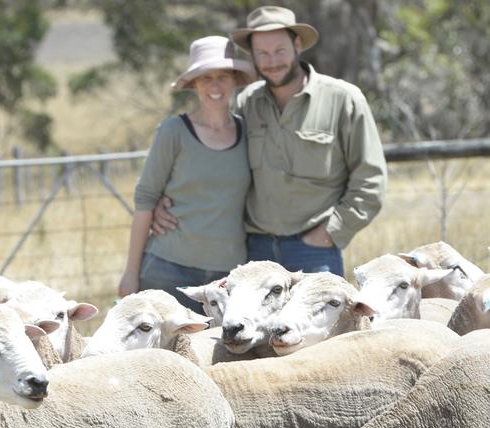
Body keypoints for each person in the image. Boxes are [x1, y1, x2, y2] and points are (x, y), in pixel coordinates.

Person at [154, 6, 387, 276]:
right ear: (252, 55)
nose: (272, 61)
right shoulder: (245, 103)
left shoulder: (344, 99)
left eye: (280, 50)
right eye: (262, 53)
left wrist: (332, 232)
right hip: (255, 251)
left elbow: (370, 179)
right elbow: (213, 164)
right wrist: (165, 202)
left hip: (314, 250)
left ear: (297, 45)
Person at [118, 36, 256, 312]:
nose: (215, 86)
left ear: (234, 80)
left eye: (222, 77)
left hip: (228, 278)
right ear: (194, 83)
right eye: (206, 78)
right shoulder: (174, 131)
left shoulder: (250, 132)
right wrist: (130, 274)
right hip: (168, 269)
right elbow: (146, 198)